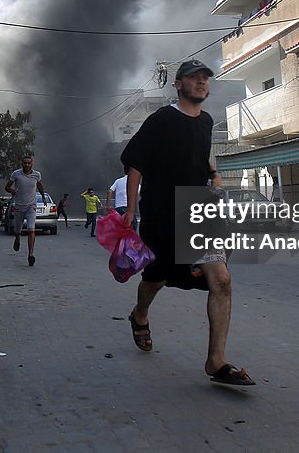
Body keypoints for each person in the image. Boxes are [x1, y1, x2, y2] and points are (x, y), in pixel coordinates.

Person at [121, 59, 255, 386]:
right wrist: (130, 208)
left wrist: (215, 175)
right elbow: (136, 163)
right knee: (157, 277)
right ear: (178, 84)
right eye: (193, 78)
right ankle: (139, 314)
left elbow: (204, 155)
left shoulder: (206, 121)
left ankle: (216, 361)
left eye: (205, 78)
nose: (201, 83)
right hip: (162, 213)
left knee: (221, 279)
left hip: (199, 212)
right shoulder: (161, 120)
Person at [6, 155, 47, 266]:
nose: (27, 165)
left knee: (31, 229)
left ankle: (31, 255)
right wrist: (12, 191)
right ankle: (17, 238)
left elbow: (40, 186)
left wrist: (43, 197)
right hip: (19, 206)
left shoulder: (36, 175)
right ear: (22, 164)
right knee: (17, 229)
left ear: (32, 164)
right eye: (25, 163)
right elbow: (7, 187)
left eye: (29, 163)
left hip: (31, 206)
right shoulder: (16, 174)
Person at [108, 166, 138, 232]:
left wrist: (108, 207)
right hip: (127, 209)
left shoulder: (118, 181)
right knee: (133, 228)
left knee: (118, 229)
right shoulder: (134, 181)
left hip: (118, 209)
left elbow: (109, 191)